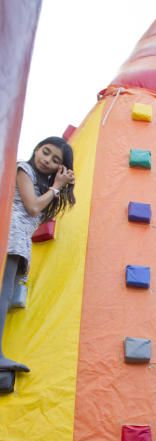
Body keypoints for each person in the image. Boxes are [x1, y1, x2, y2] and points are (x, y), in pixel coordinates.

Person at [0, 136, 76, 372]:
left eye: (55, 160)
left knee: (6, 296)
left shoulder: (43, 184)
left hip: (18, 242)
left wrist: (58, 187)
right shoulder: (24, 169)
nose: (46, 160)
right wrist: (57, 186)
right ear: (36, 149)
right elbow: (32, 207)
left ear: (60, 168)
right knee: (3, 297)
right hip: (11, 237)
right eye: (45, 152)